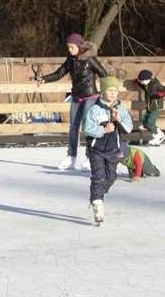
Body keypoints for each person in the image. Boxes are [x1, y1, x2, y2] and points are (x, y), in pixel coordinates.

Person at [36, 33, 107, 171]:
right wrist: (44, 78)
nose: (69, 50)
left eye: (72, 47)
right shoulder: (70, 60)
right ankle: (71, 157)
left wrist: (106, 93)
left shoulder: (90, 60)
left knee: (89, 127)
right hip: (76, 97)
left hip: (90, 97)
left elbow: (104, 75)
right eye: (68, 47)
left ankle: (90, 157)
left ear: (79, 46)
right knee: (73, 128)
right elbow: (59, 73)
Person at [83, 76, 133, 225]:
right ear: (102, 92)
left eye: (115, 90)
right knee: (98, 177)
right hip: (96, 150)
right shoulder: (94, 109)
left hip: (112, 150)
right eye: (109, 90)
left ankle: (95, 196)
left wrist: (118, 120)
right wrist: (103, 129)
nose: (112, 93)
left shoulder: (121, 109)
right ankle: (97, 203)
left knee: (111, 177)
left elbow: (128, 129)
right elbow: (87, 128)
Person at [135, 69, 165, 146]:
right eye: (140, 80)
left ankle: (157, 137)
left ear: (148, 79)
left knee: (150, 122)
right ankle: (161, 135)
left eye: (142, 80)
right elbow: (142, 86)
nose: (141, 82)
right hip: (150, 106)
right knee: (146, 122)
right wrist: (137, 82)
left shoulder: (155, 84)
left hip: (156, 107)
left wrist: (162, 94)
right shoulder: (146, 85)